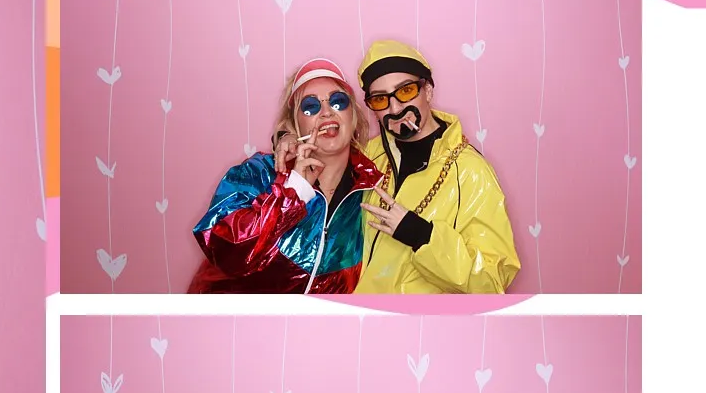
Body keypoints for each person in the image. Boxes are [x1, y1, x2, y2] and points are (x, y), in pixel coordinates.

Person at [190, 57, 384, 292]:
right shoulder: (259, 172)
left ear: (353, 118)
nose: (325, 113)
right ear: (295, 125)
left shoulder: (372, 187)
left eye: (338, 102)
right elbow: (223, 250)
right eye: (310, 106)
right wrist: (295, 192)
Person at [355, 40, 520, 293]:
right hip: (362, 321)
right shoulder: (369, 156)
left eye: (406, 91)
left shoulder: (470, 172)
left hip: (421, 327)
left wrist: (422, 236)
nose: (396, 108)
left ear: (428, 90)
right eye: (380, 99)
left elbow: (492, 282)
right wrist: (286, 137)